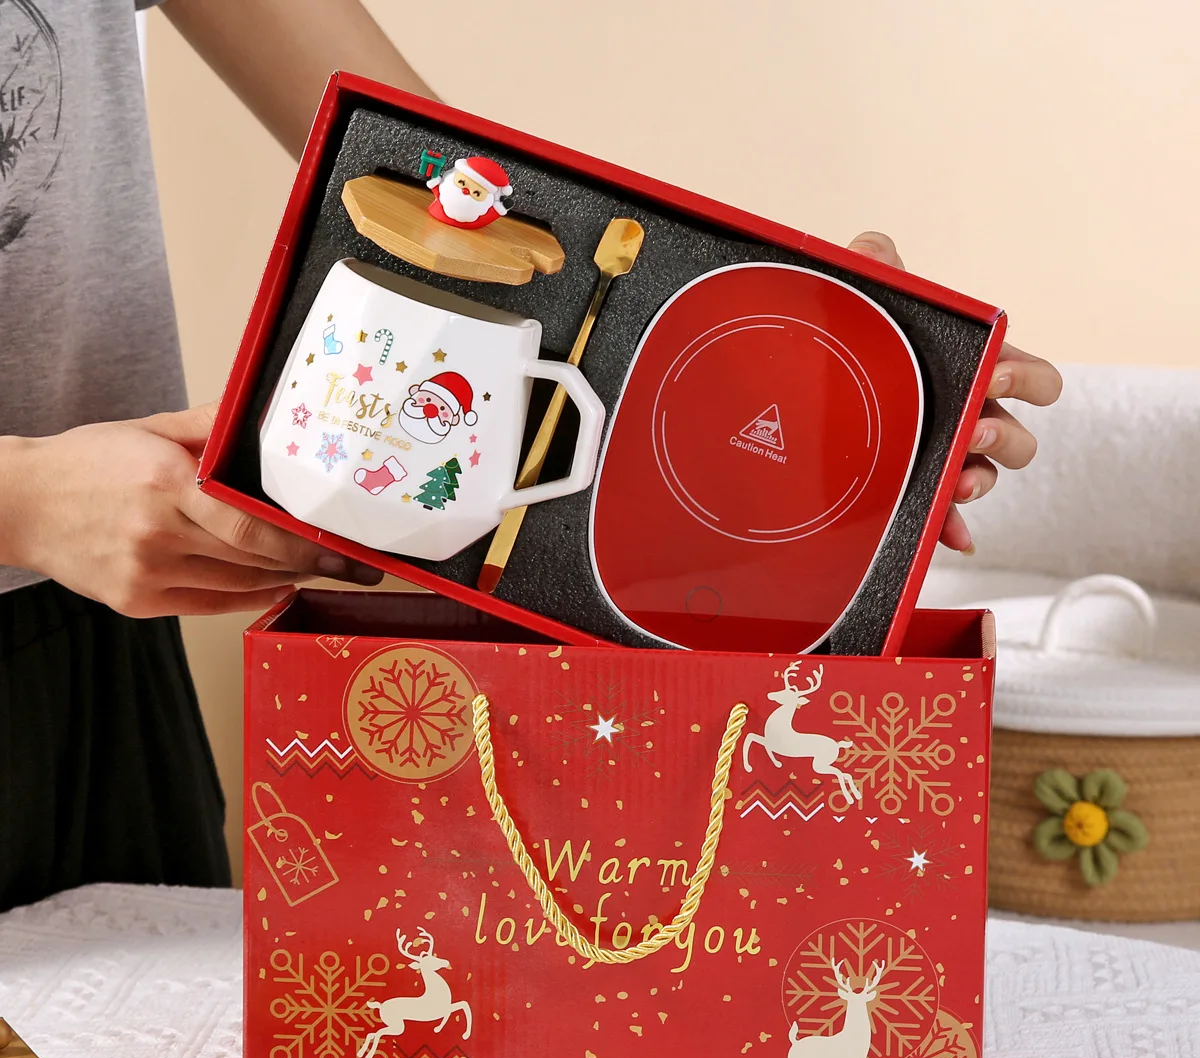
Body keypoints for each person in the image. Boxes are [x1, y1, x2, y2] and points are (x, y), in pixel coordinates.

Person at [0, 0, 1060, 912]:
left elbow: (449, 169)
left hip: (98, 630)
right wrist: (23, 502)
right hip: (75, 542)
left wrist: (810, 352)